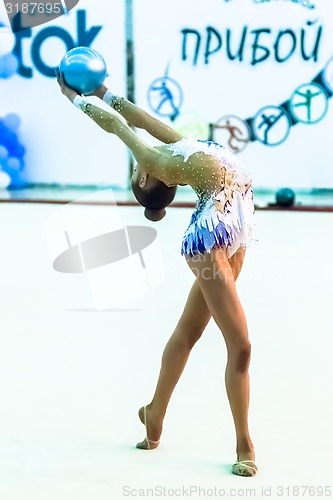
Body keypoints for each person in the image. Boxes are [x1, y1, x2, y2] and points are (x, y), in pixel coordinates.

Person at [56, 71, 258, 477]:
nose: (136, 167)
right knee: (242, 346)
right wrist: (73, 100)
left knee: (189, 332)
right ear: (149, 181)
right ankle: (245, 444)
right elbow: (116, 125)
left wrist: (99, 91)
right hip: (211, 236)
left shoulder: (177, 146)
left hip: (238, 229)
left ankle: (153, 413)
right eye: (136, 173)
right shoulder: (154, 161)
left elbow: (135, 117)